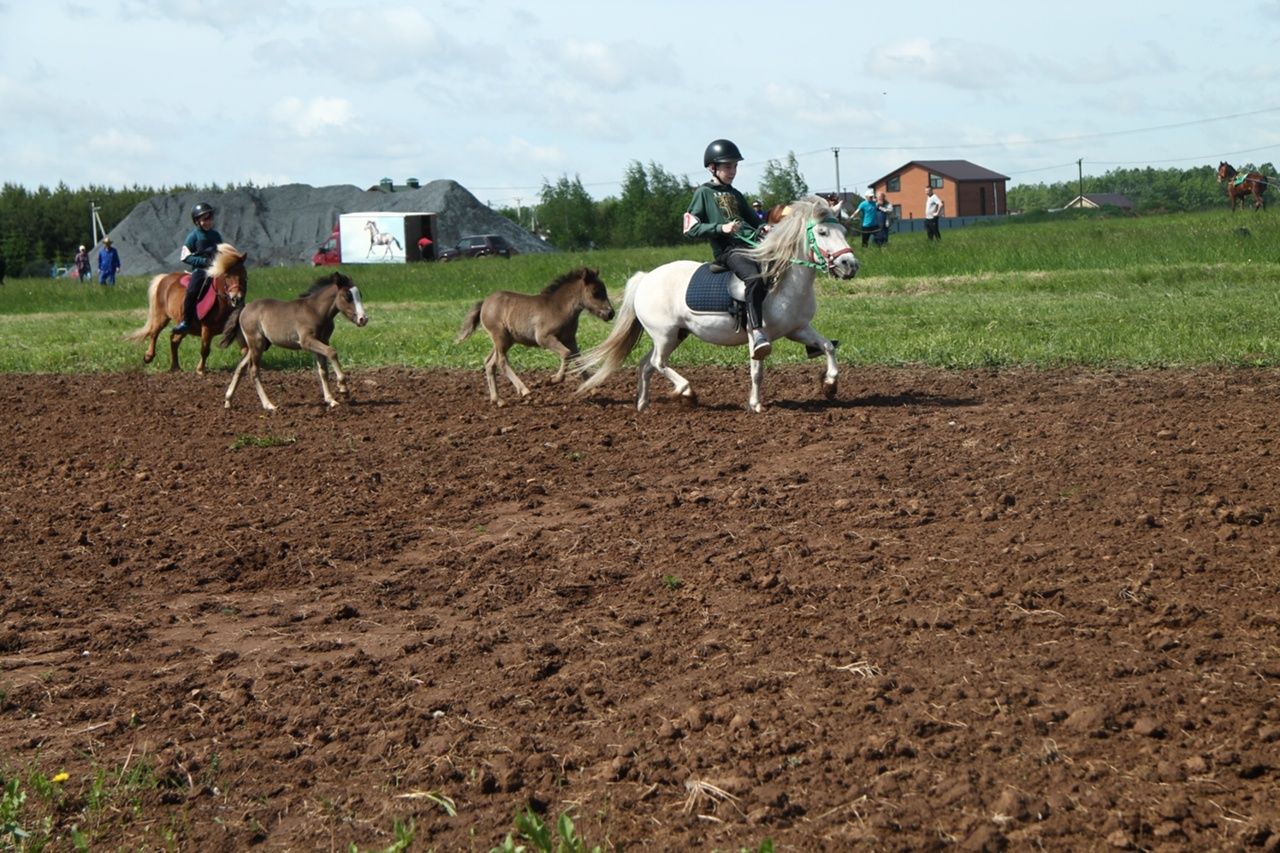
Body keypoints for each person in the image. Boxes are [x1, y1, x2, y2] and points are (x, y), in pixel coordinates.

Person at [683, 138, 772, 359]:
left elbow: (754, 222)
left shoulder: (735, 194)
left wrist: (765, 227)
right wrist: (721, 228)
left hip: (749, 246)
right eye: (727, 166)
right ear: (713, 167)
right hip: (728, 251)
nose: (732, 171)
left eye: (735, 166)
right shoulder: (703, 193)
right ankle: (757, 330)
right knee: (754, 277)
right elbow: (690, 228)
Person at [174, 202, 223, 334]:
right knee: (191, 292)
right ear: (197, 221)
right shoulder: (193, 236)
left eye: (210, 218)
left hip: (217, 270)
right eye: (205, 219)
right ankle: (186, 322)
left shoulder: (216, 235)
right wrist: (203, 261)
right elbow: (185, 257)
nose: (208, 222)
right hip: (200, 271)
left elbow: (222, 252)